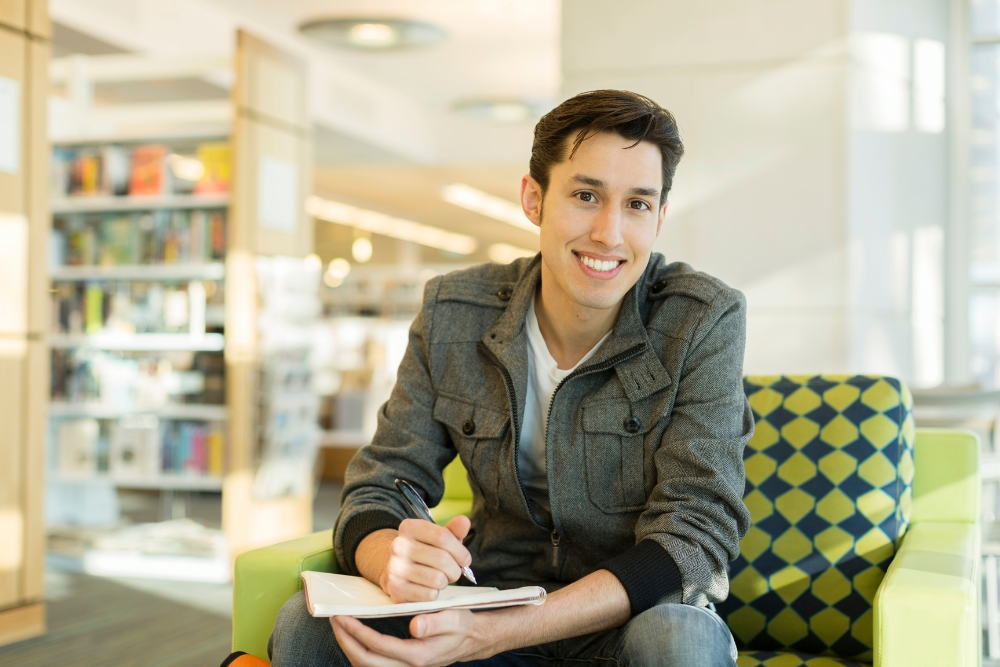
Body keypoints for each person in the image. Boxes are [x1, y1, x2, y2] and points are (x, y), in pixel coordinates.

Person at [269, 89, 753, 667]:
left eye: (637, 205)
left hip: (626, 624)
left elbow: (696, 535)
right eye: (585, 195)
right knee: (307, 626)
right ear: (533, 198)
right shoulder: (453, 311)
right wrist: (391, 559)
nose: (609, 233)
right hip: (485, 601)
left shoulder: (702, 319)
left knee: (682, 641)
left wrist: (493, 635)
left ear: (660, 217)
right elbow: (380, 483)